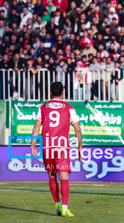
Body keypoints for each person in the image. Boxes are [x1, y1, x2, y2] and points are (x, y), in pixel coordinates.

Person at [31, 82, 82, 217]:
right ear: (63, 92)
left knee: (52, 175)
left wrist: (33, 146)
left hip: (47, 147)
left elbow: (37, 127)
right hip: (61, 146)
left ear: (50, 93)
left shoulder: (43, 107)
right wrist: (79, 147)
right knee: (64, 176)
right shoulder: (69, 108)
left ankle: (57, 204)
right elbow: (77, 129)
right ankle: (64, 207)